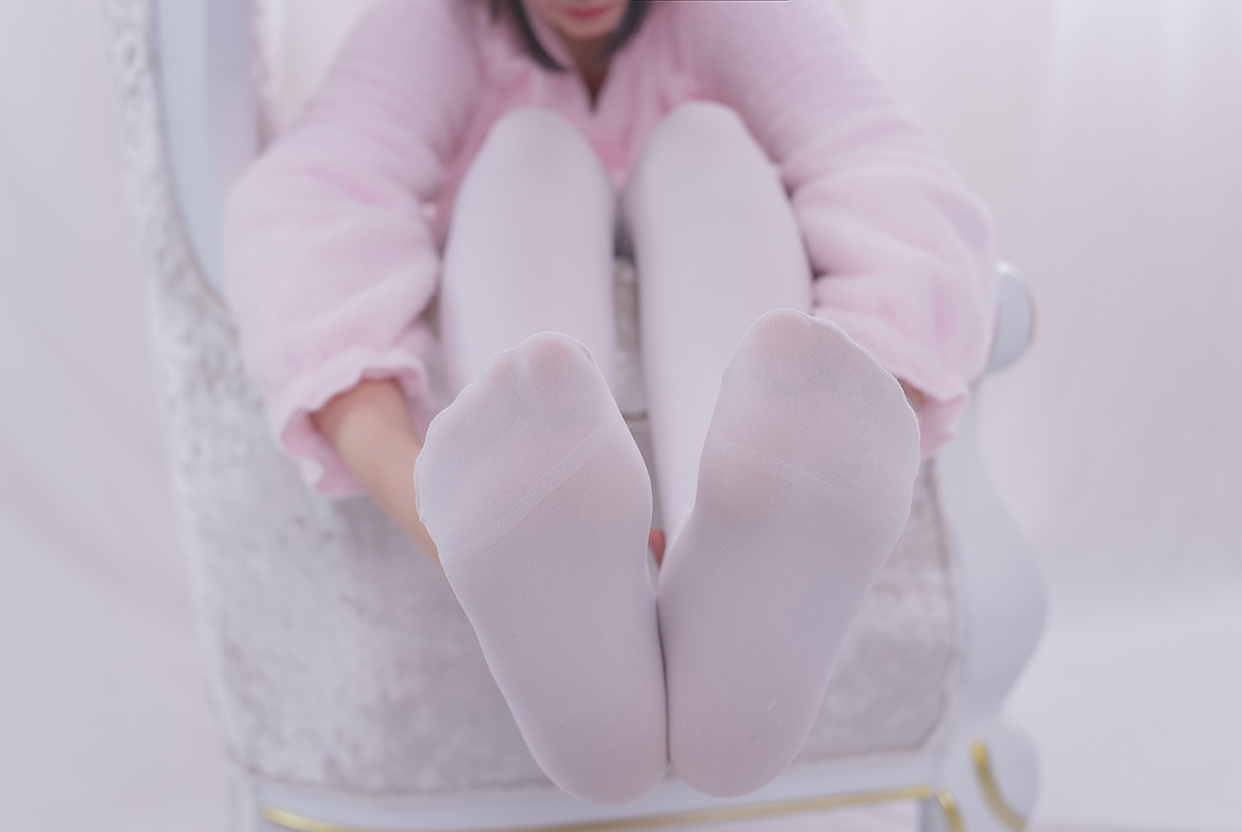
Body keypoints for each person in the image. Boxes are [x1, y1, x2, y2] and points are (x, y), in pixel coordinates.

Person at [223, 0, 997, 807]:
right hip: (520, 240)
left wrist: (846, 409)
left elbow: (889, 174)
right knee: (526, 152)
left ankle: (738, 546)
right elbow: (310, 203)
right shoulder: (443, 23)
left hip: (717, 255)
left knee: (708, 146)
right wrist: (431, 497)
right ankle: (554, 531)